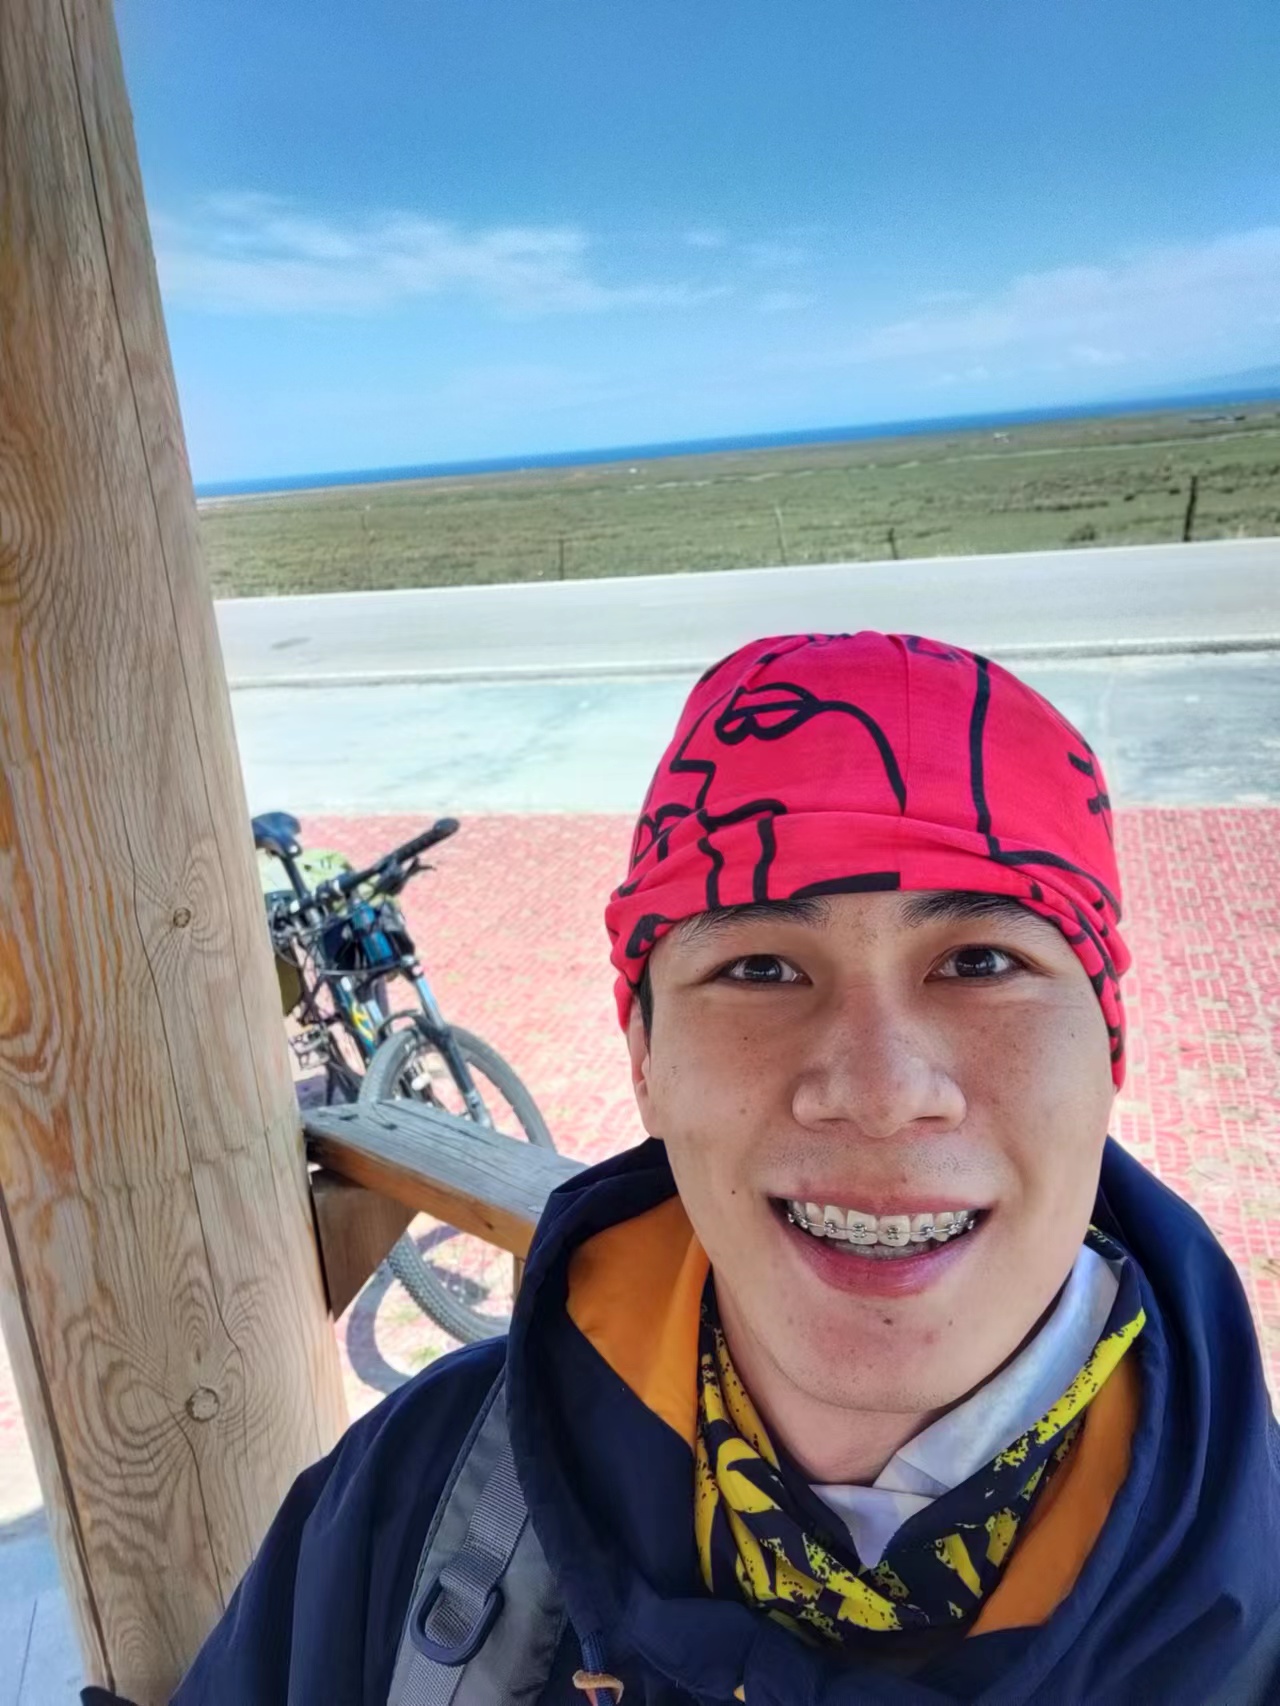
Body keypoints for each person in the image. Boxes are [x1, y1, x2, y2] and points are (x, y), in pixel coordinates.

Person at [161, 632, 1280, 1705]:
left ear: (1109, 1045)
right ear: (644, 1059)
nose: (880, 1089)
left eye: (981, 961)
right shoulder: (408, 1500)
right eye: (759, 968)